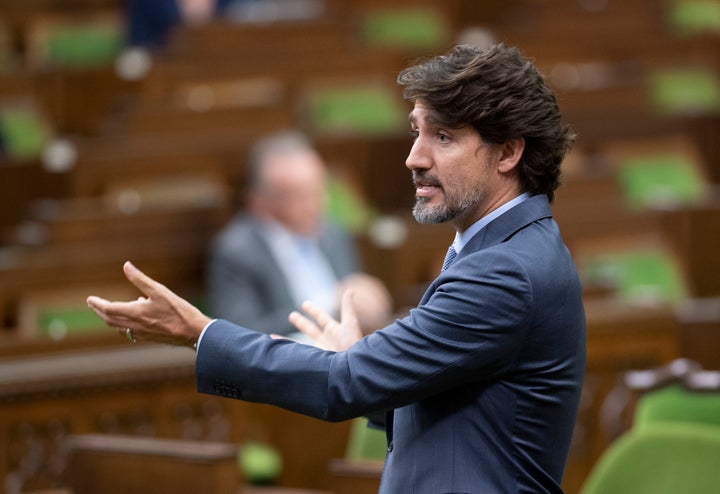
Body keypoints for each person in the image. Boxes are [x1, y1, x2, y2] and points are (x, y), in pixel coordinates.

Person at [87, 43, 586, 493]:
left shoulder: (504, 272)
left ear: (509, 151)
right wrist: (364, 364)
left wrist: (199, 333)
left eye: (444, 137)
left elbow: (340, 383)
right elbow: (461, 418)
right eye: (417, 132)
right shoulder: (506, 250)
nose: (414, 157)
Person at [206, 130, 391, 338]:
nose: (317, 204)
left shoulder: (333, 231)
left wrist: (368, 301)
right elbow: (239, 335)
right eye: (300, 196)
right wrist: (330, 305)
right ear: (263, 200)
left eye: (319, 190)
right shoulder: (237, 251)